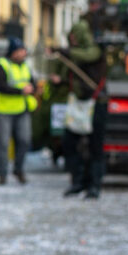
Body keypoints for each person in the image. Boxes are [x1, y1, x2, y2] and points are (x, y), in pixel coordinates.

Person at [51, 19, 107, 199]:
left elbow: (87, 56)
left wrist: (64, 51)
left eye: (75, 36)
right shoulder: (73, 55)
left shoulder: (95, 49)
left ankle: (94, 185)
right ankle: (78, 181)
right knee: (69, 142)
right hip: (78, 104)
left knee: (95, 146)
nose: (72, 39)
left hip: (96, 103)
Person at [0, 37, 36, 185]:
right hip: (3, 110)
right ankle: (2, 173)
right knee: (3, 144)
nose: (23, 53)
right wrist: (21, 91)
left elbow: (33, 83)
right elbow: (1, 86)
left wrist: (32, 89)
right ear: (13, 52)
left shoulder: (26, 66)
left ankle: (19, 169)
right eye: (20, 50)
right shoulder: (2, 65)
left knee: (24, 140)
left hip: (22, 109)